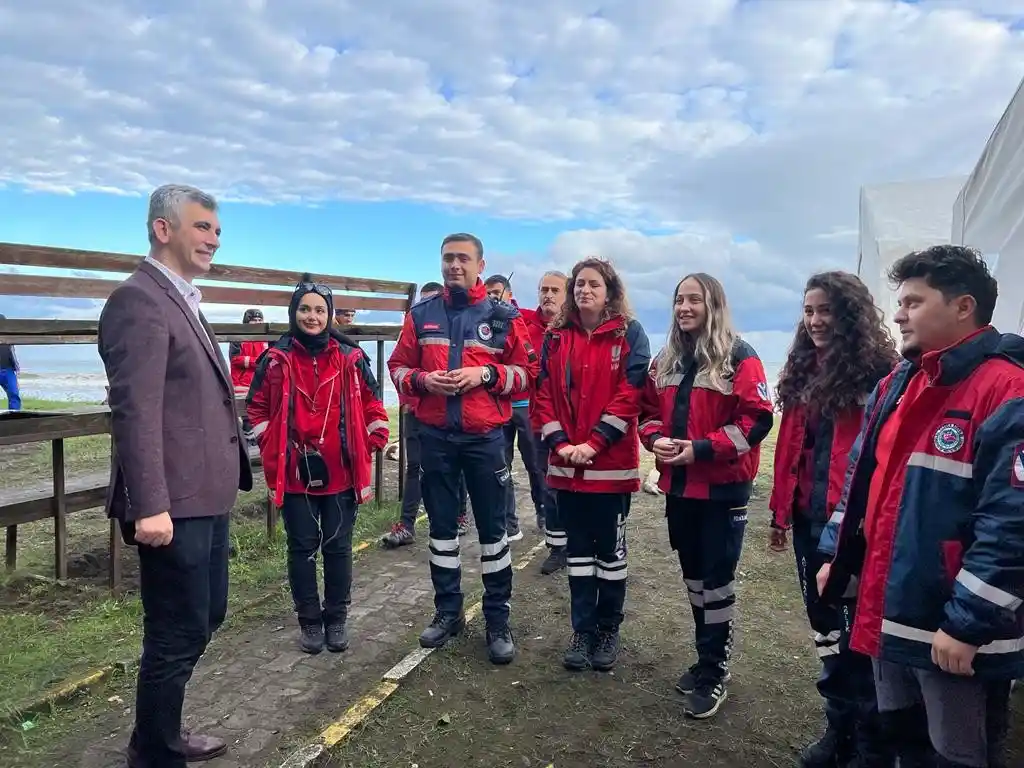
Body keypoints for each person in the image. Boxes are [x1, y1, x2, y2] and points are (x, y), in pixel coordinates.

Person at [817, 245, 1022, 768]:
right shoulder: (899, 382)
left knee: (957, 753)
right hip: (892, 606)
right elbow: (861, 486)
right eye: (899, 301)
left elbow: (1012, 524)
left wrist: (967, 624)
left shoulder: (1007, 388)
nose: (899, 314)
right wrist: (837, 558)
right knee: (901, 739)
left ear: (962, 306)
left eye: (913, 301)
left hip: (951, 631)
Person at [97, 184, 254, 768]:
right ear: (164, 230)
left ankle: (159, 733)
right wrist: (149, 504)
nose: (213, 238)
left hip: (203, 497)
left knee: (203, 616)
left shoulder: (182, 298)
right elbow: (134, 412)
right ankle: (156, 753)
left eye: (216, 229)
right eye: (202, 227)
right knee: (174, 631)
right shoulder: (138, 300)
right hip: (170, 503)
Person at [388, 232, 538, 665]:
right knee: (441, 532)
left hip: (486, 440)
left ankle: (497, 620)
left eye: (462, 259)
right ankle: (448, 612)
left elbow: (528, 374)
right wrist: (422, 382)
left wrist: (486, 377)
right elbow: (397, 367)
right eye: (448, 258)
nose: (454, 266)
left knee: (493, 535)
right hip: (435, 438)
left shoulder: (504, 317)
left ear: (479, 263)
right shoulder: (421, 316)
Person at [769, 272, 898, 767]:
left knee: (856, 635)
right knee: (825, 628)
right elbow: (792, 450)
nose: (816, 321)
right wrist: (781, 512)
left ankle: (869, 745)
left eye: (826, 310)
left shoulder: (880, 372)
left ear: (851, 313)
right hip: (808, 519)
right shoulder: (803, 370)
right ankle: (839, 729)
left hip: (853, 527)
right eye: (808, 311)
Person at [639, 272, 774, 720]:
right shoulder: (665, 360)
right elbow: (646, 412)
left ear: (714, 304)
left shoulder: (740, 356)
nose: (684, 308)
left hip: (722, 492)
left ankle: (716, 670)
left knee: (716, 584)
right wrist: (655, 439)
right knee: (694, 579)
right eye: (679, 300)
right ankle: (704, 659)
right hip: (679, 490)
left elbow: (757, 422)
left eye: (694, 300)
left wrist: (698, 450)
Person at [247, 274, 389, 654]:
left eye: (320, 310)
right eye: (305, 309)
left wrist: (374, 437)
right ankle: (309, 622)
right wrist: (270, 441)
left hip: (342, 471)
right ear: (294, 313)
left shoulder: (351, 357)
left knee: (339, 548)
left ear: (330, 315)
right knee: (302, 548)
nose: (312, 316)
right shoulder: (275, 359)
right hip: (295, 473)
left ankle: (337, 618)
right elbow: (255, 408)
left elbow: (374, 404)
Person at [534, 258, 650, 672]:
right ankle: (582, 630)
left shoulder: (629, 334)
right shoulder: (555, 337)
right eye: (579, 284)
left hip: (611, 468)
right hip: (566, 469)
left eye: (593, 284)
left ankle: (608, 629)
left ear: (610, 290)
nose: (584, 290)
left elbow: (631, 393)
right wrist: (562, 443)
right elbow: (542, 393)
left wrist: (594, 443)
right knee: (579, 555)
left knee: (611, 557)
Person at [381, 282, 471, 549]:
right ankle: (406, 525)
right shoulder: (413, 328)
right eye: (422, 302)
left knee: (456, 468)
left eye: (432, 301)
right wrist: (408, 401)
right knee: (414, 468)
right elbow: (399, 368)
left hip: (449, 416)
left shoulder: (453, 331)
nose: (426, 307)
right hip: (414, 411)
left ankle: (460, 514)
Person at [485, 273, 548, 542]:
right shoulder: (482, 322)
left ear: (509, 293)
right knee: (501, 466)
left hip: (527, 405)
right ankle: (510, 523)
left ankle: (545, 514)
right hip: (498, 406)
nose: (492, 297)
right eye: (487, 293)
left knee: (536, 464)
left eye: (497, 292)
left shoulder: (524, 317)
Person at [526, 271, 569, 574]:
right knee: (548, 483)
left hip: (572, 423)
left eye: (555, 290)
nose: (548, 295)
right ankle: (557, 547)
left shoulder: (573, 329)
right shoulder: (525, 325)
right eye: (544, 289)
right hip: (539, 421)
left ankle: (583, 542)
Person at [229, 308, 269, 446]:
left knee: (260, 413)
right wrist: (258, 362)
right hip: (241, 383)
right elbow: (235, 359)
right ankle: (248, 440)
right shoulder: (238, 338)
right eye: (254, 320)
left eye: (260, 320)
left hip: (259, 383)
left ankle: (255, 440)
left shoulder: (265, 338)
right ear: (247, 322)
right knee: (245, 414)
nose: (257, 322)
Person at [0, 314, 21, 411]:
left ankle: (14, 417)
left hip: (8, 369)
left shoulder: (9, 336)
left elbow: (12, 351)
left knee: (14, 394)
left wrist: (16, 366)